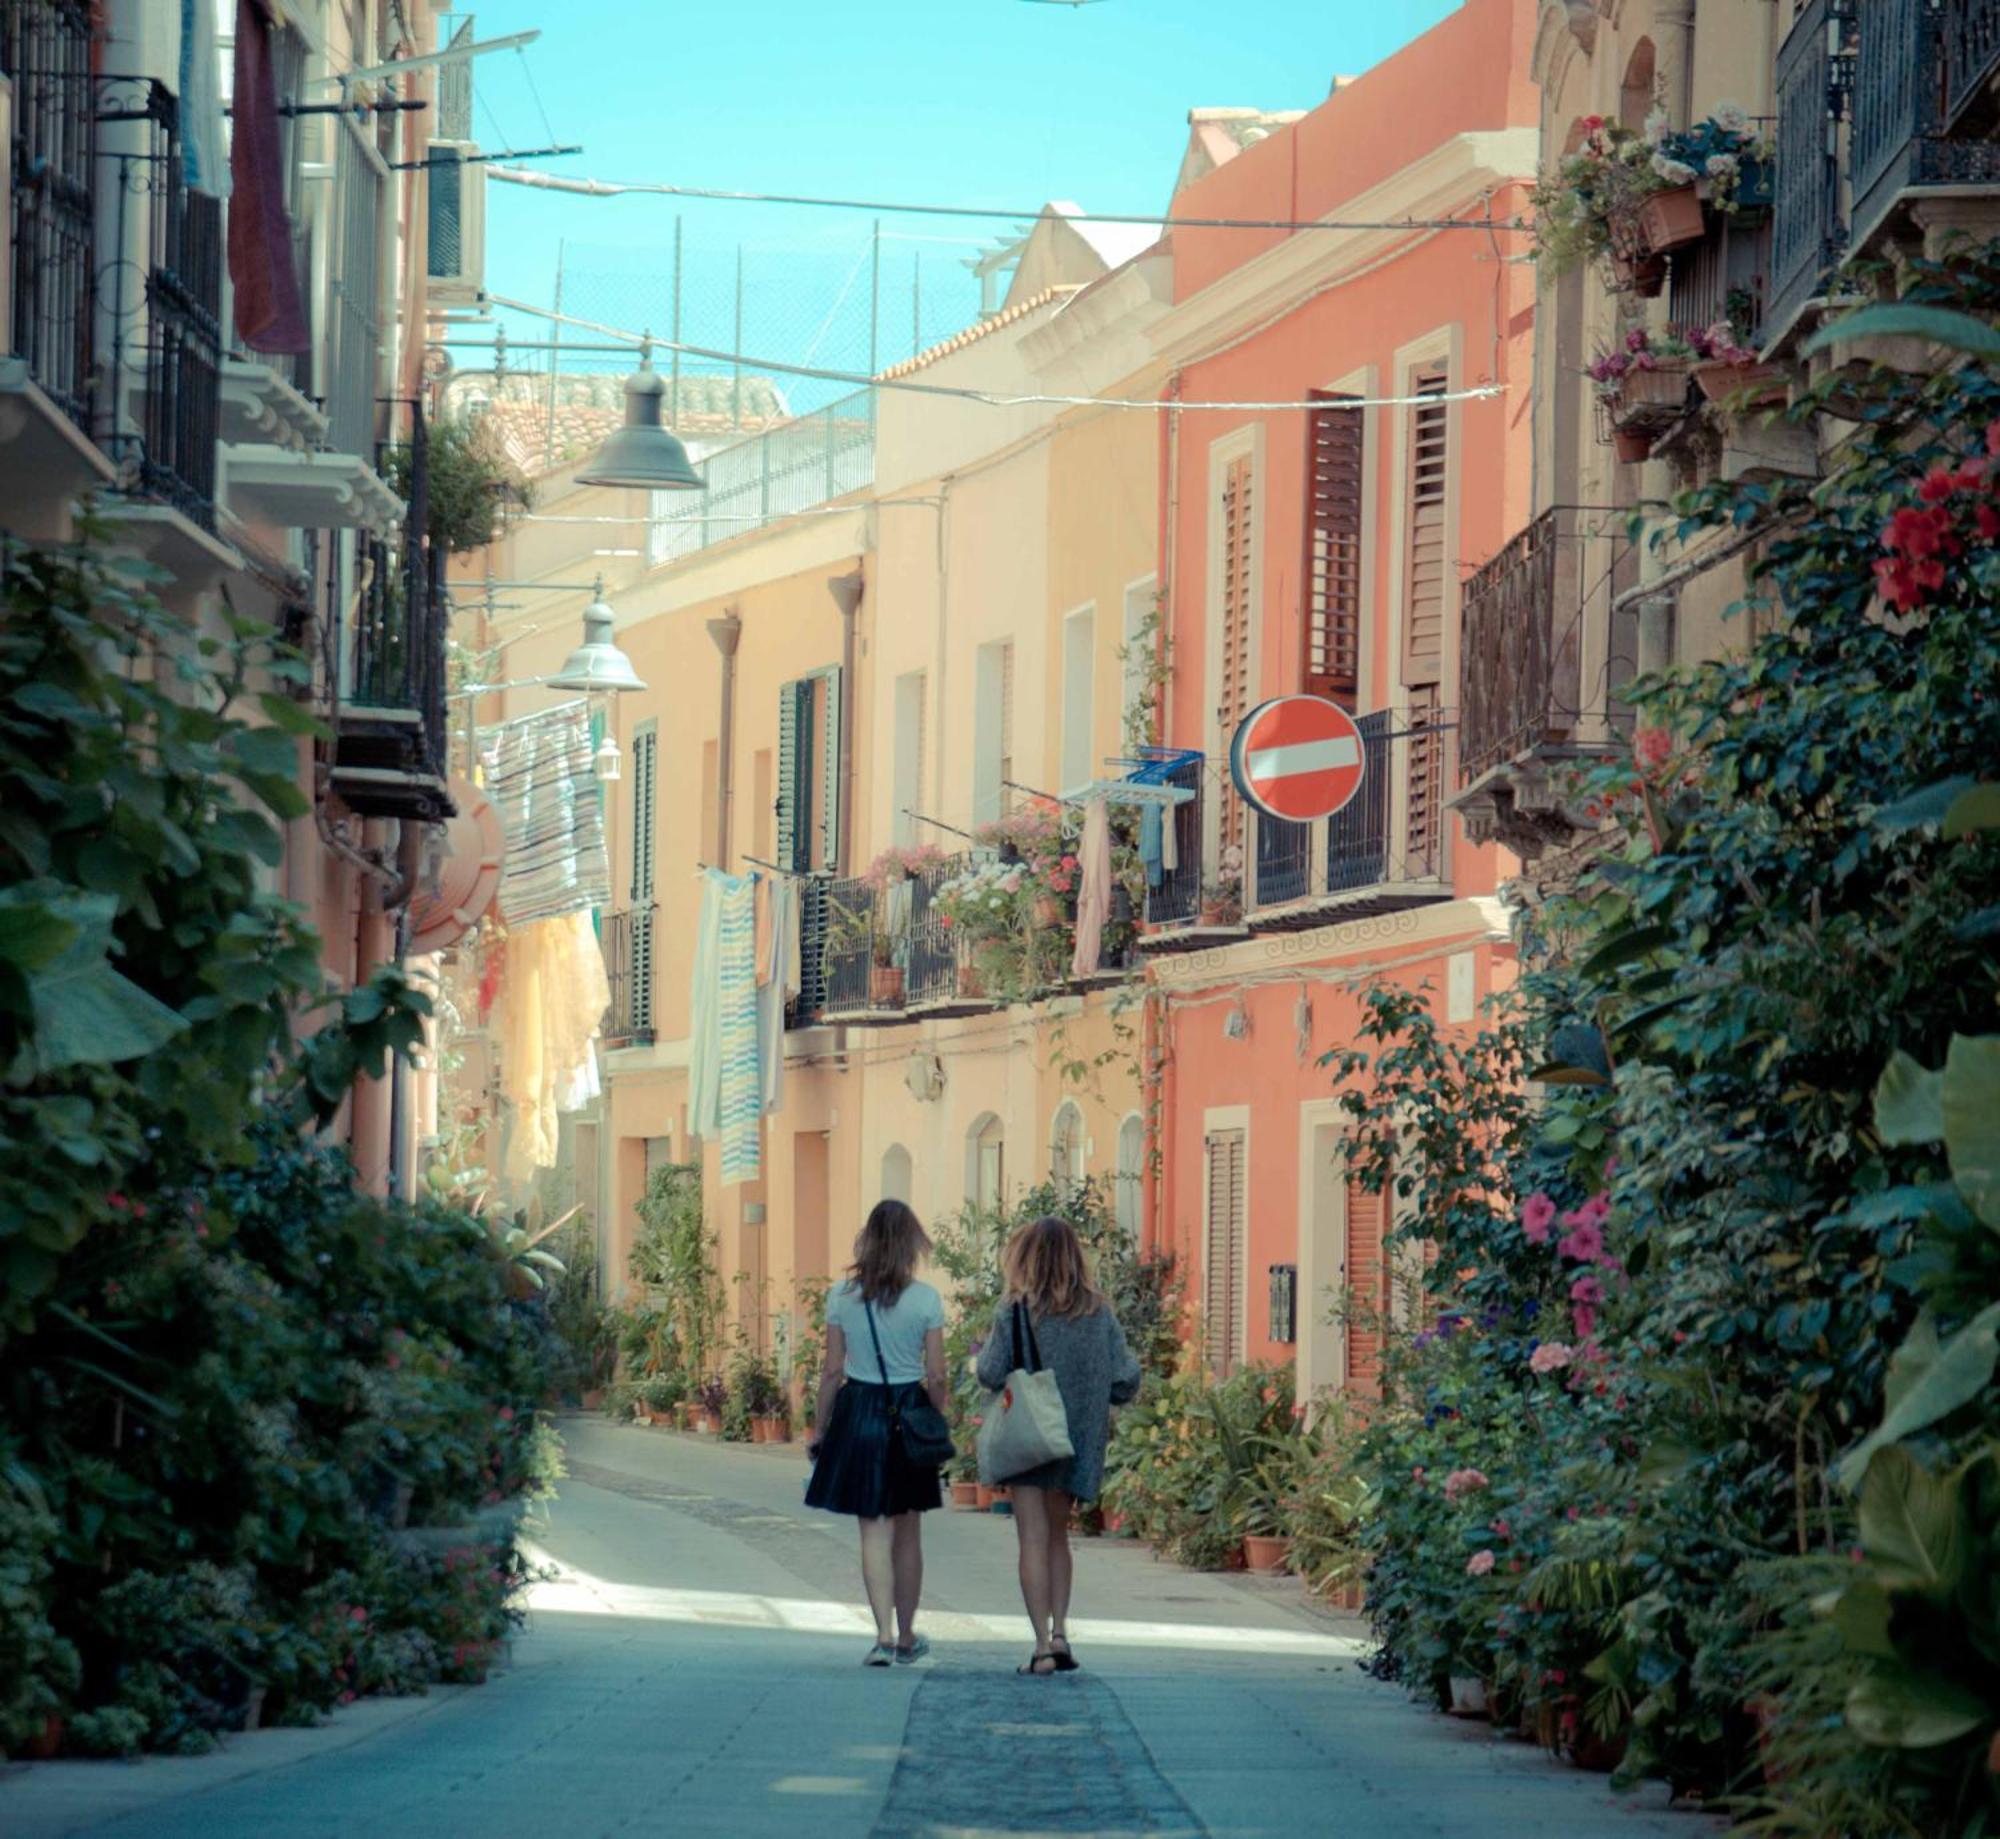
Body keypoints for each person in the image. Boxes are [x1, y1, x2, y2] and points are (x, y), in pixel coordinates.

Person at [976, 1214, 1142, 1676]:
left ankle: (1041, 1646)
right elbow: (1126, 1379)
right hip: (1073, 1441)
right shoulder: (1098, 1313)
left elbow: (990, 1372)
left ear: (1025, 1258)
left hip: (1029, 1438)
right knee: (1057, 1537)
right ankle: (1063, 1630)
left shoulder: (1013, 1310)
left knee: (1030, 1539)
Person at [806, 1198, 949, 1666]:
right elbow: (938, 1375)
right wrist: (933, 1420)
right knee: (909, 1531)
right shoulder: (926, 1299)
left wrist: (819, 1426)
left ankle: (882, 1636)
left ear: (867, 1240)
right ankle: (907, 1634)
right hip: (908, 1409)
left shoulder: (842, 1297)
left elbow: (831, 1370)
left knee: (873, 1530)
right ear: (911, 1243)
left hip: (859, 1410)